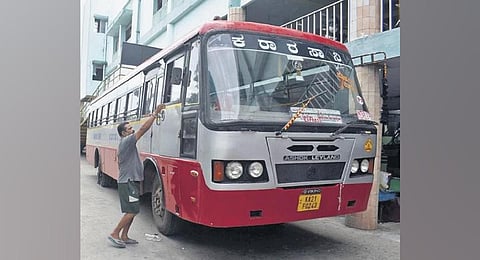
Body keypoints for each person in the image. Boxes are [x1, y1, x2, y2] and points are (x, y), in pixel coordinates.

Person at [107, 104, 165, 248]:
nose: (132, 130)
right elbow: (143, 129)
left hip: (131, 182)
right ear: (124, 134)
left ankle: (124, 236)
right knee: (131, 211)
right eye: (129, 129)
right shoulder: (127, 142)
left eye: (131, 128)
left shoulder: (127, 144)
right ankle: (114, 233)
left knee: (133, 210)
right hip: (128, 183)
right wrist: (155, 114)